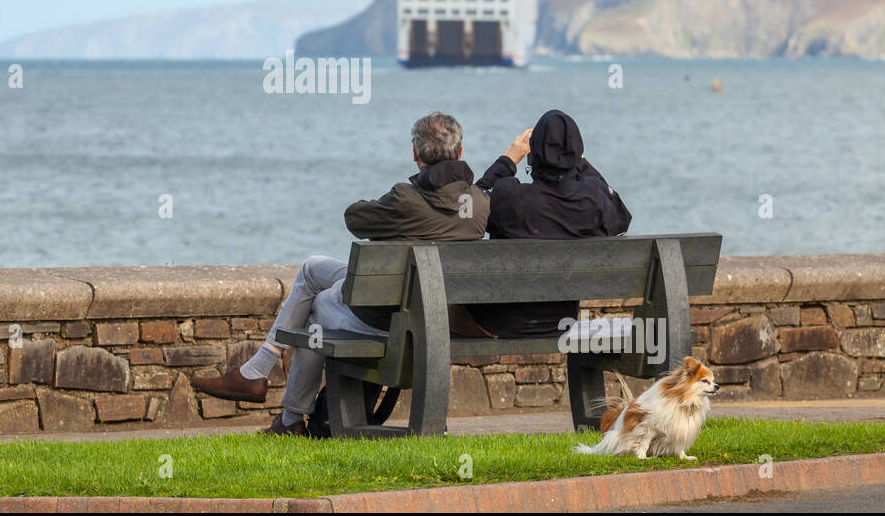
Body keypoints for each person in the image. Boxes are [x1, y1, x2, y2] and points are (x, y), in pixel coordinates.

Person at [191, 111, 489, 436]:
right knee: (312, 268)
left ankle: (283, 408)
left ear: (416, 154)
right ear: (460, 152)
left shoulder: (405, 198)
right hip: (435, 323)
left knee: (313, 308)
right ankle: (260, 379)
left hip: (383, 322)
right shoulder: (478, 205)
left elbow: (354, 217)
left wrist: (392, 201)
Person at [450, 108, 632, 340]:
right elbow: (621, 217)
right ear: (577, 154)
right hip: (559, 322)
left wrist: (507, 160)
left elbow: (466, 210)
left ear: (532, 157)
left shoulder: (510, 195)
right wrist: (578, 160)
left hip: (497, 322)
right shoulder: (592, 198)